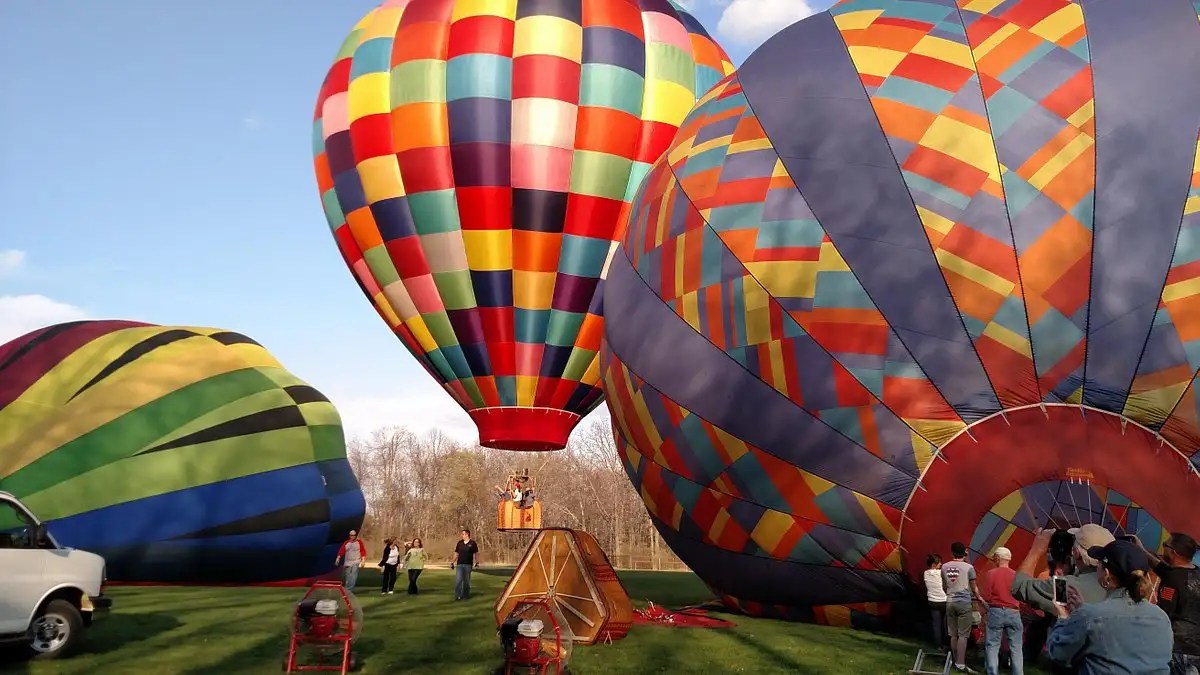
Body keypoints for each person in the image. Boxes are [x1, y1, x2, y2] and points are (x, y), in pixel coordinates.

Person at [1046, 538, 1173, 673]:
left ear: (1106, 574)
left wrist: (1064, 618)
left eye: (1099, 564)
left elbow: (1059, 654)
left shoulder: (1091, 615)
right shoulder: (1162, 617)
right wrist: (1084, 610)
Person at [1012, 524, 1116, 616]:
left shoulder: (1066, 586)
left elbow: (1018, 587)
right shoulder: (1122, 587)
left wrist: (1037, 549)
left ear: (1076, 553)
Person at [1137, 533, 1200, 674]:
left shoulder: (1172, 579)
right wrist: (1142, 550)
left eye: (1165, 545)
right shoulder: (1195, 572)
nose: (1163, 548)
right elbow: (1166, 571)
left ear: (1173, 552)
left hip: (1178, 650)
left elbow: (1162, 614)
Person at [944, 541, 987, 673]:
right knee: (963, 635)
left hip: (950, 601)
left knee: (953, 634)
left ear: (952, 552)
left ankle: (955, 660)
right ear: (964, 552)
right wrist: (980, 599)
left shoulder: (944, 566)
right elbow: (974, 588)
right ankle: (961, 663)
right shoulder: (969, 568)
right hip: (964, 603)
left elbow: (944, 586)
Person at [981, 547, 1023, 675]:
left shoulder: (991, 574)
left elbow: (987, 596)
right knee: (1016, 648)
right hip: (1014, 612)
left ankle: (992, 672)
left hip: (996, 611)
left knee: (992, 645)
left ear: (998, 558)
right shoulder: (1016, 575)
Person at [926, 554, 949, 649]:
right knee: (946, 624)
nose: (941, 564)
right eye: (939, 562)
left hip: (932, 602)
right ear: (934, 564)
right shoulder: (941, 573)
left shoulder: (926, 573)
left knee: (936, 624)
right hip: (944, 601)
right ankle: (946, 643)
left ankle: (938, 645)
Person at [452, 529, 479, 600]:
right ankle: (458, 595)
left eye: (463, 534)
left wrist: (477, 561)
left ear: (467, 535)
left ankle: (465, 596)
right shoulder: (460, 543)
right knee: (458, 580)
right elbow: (456, 553)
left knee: (466, 581)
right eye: (462, 534)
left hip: (468, 565)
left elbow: (476, 553)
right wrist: (452, 561)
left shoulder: (472, 543)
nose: (462, 535)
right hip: (460, 564)